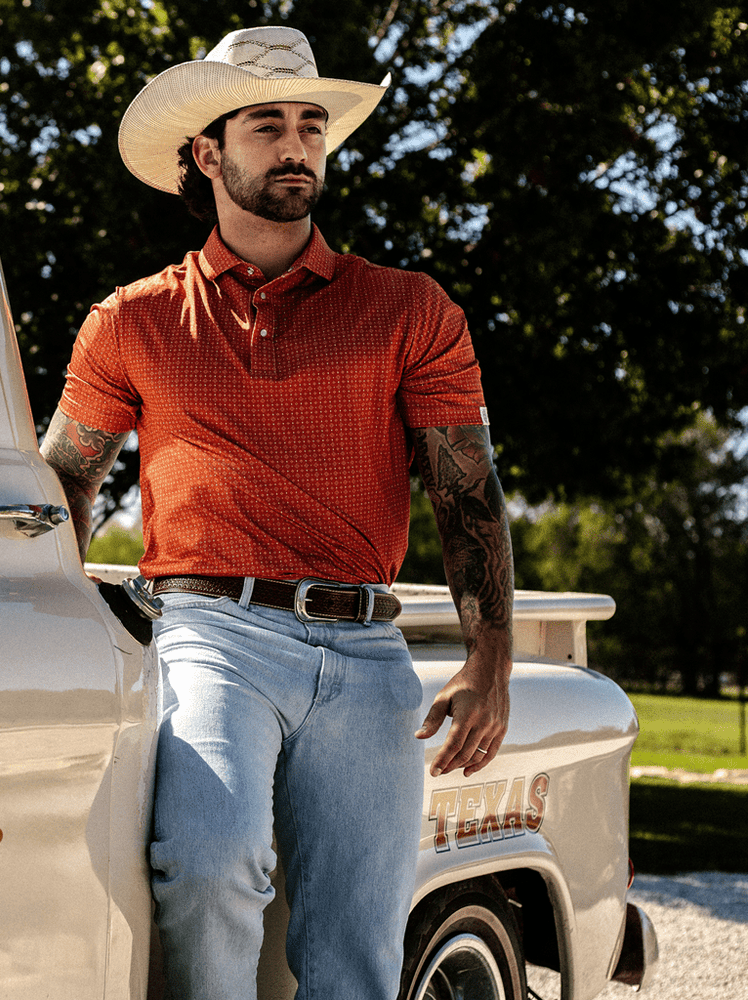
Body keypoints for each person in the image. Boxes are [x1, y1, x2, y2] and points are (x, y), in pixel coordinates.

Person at [41, 25, 514, 1000]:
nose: (297, 145)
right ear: (208, 153)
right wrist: (44, 634)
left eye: (312, 125)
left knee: (355, 948)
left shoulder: (409, 310)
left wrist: (489, 661)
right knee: (208, 863)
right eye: (268, 125)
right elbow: (64, 487)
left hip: (367, 648)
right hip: (210, 630)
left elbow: (464, 491)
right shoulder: (131, 319)